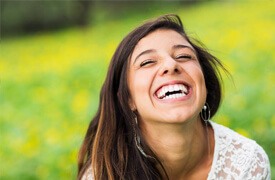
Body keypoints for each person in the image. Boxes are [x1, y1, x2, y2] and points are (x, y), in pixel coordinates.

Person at [78, 14, 270, 180]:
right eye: (147, 62)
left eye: (184, 56)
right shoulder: (104, 174)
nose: (171, 65)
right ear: (128, 99)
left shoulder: (246, 162)